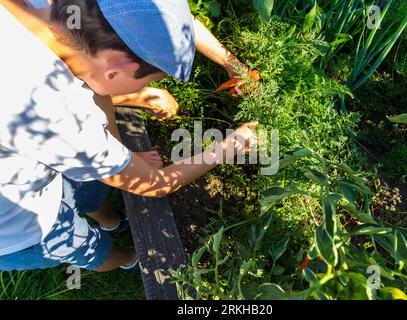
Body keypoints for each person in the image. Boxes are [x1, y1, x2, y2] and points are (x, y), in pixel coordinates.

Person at [0, 0, 257, 273]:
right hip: (18, 229)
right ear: (114, 69)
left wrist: (136, 96)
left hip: (19, 169)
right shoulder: (63, 116)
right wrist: (231, 145)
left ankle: (111, 220)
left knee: (80, 190)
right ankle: (126, 259)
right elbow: (154, 184)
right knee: (83, 247)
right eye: (147, 81)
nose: (148, 85)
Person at [23, 0, 251, 120]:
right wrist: (140, 97)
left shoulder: (71, 17)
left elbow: (165, 16)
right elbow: (72, 92)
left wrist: (232, 63)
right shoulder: (36, 66)